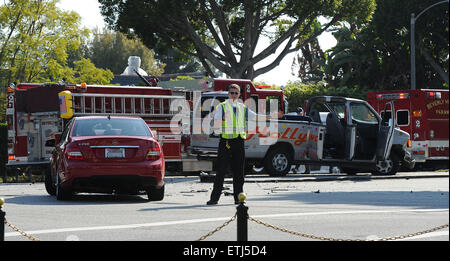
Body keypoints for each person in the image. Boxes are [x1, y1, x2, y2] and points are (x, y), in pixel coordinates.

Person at [207, 84, 282, 205]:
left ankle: (238, 197)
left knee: (239, 172)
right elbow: (215, 123)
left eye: (236, 93)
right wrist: (221, 120)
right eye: (232, 93)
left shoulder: (242, 108)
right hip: (226, 142)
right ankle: (214, 198)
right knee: (221, 171)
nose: (234, 95)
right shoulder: (222, 107)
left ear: (239, 94)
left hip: (239, 142)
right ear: (228, 93)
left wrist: (271, 116)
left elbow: (256, 117)